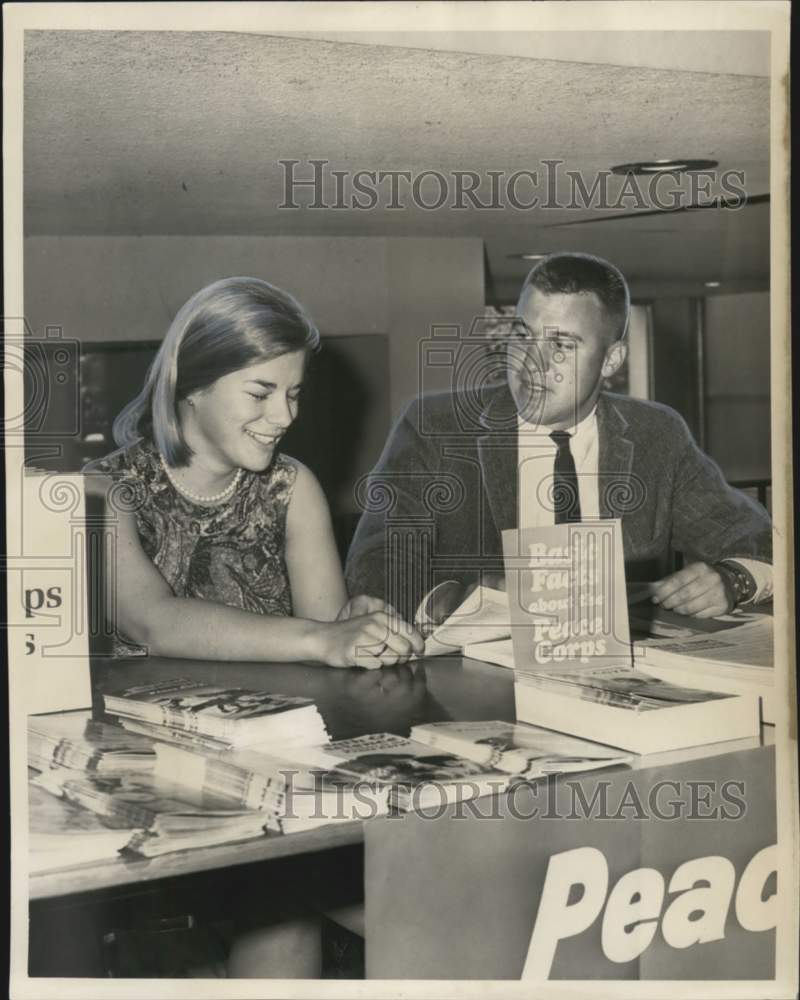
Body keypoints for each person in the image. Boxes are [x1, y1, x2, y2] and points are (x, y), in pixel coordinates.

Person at [345, 252, 772, 622]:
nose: (533, 362)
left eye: (562, 346)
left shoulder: (656, 435)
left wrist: (732, 580)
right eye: (523, 335)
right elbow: (376, 564)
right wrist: (463, 600)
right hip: (474, 671)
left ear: (612, 360)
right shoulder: (435, 426)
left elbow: (759, 538)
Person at [86, 276, 423, 668]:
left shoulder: (292, 488)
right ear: (192, 386)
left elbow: (324, 638)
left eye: (294, 394)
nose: (285, 416)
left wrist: (349, 625)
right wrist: (322, 637)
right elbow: (150, 623)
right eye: (260, 393)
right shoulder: (102, 491)